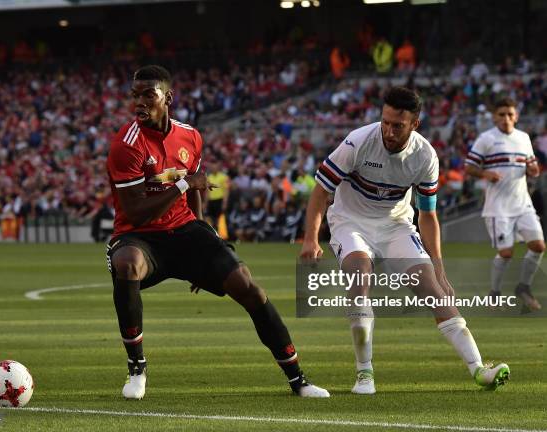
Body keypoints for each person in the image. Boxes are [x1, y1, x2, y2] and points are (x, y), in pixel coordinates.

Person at [106, 65, 329, 400]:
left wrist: (200, 233)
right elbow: (137, 212)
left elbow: (197, 188)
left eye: (147, 94)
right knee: (126, 263)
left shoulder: (190, 136)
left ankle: (298, 379)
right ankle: (137, 367)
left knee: (248, 287)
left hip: (184, 230)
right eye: (134, 94)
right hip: (140, 236)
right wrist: (183, 183)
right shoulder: (127, 145)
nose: (138, 101)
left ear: (168, 98)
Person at [300, 86, 510, 395]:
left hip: (395, 225)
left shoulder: (425, 156)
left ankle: (479, 369)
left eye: (397, 125)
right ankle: (364, 375)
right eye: (385, 121)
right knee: (359, 276)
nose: (388, 130)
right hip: (350, 222)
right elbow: (321, 191)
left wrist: (438, 266)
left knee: (432, 288)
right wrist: (310, 239)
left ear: (415, 124)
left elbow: (427, 215)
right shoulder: (357, 142)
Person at [465, 98, 545, 310]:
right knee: (506, 253)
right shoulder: (486, 139)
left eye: (510, 114)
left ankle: (523, 288)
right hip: (498, 207)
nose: (506, 118)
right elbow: (469, 166)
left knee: (538, 246)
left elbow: (531, 164)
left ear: (516, 116)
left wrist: (534, 169)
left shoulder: (524, 138)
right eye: (501, 114)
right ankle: (494, 293)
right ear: (495, 117)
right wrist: (484, 173)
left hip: (522, 203)